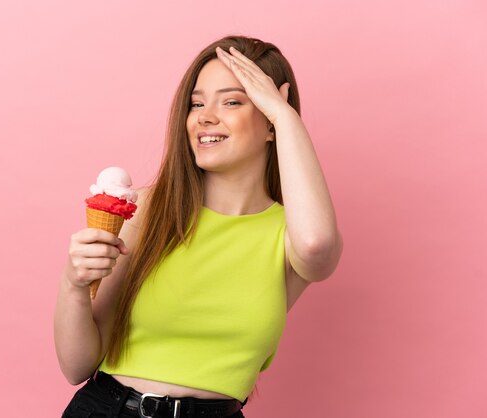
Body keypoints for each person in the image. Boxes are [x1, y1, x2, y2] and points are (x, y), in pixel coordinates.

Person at [55, 35, 343, 418]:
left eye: (232, 101)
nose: (205, 116)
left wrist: (284, 116)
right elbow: (77, 367)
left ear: (271, 122)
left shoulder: (288, 235)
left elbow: (317, 246)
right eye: (196, 103)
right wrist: (73, 284)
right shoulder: (144, 210)